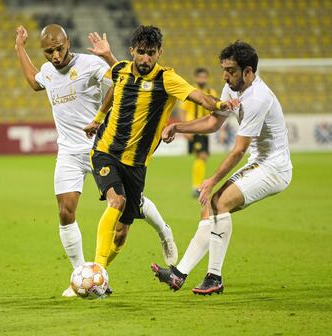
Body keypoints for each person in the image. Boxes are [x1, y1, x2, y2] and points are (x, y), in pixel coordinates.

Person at [15, 24, 178, 297]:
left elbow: (120, 81)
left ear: (68, 42)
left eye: (59, 48)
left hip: (101, 147)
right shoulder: (48, 71)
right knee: (66, 212)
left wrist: (102, 115)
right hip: (68, 152)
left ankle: (163, 230)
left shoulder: (89, 64)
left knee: (128, 210)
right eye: (48, 52)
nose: (55, 56)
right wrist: (19, 47)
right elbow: (34, 82)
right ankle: (82, 277)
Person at [83, 26, 237, 274]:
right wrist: (98, 119)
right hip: (105, 151)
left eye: (151, 53)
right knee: (117, 201)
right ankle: (97, 273)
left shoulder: (167, 79)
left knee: (121, 234)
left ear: (159, 53)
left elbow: (199, 97)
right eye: (141, 52)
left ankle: (160, 235)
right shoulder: (120, 69)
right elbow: (114, 87)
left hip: (136, 162)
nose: (145, 58)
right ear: (132, 51)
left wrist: (220, 104)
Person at [152, 41, 293, 295]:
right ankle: (178, 274)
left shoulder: (257, 98)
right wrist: (178, 127)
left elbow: (238, 149)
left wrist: (212, 179)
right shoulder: (232, 88)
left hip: (275, 168)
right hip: (260, 162)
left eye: (232, 71)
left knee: (218, 202)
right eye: (224, 70)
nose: (226, 76)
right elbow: (213, 122)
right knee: (210, 209)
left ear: (248, 72)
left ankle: (214, 277)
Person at [179, 68, 218, 197]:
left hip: (205, 130)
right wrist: (185, 129)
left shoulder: (211, 92)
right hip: (194, 128)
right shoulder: (191, 92)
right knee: (201, 155)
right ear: (196, 78)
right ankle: (196, 186)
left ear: (207, 78)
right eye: (200, 77)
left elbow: (215, 112)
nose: (202, 79)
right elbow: (183, 111)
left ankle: (198, 185)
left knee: (203, 157)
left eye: (204, 77)